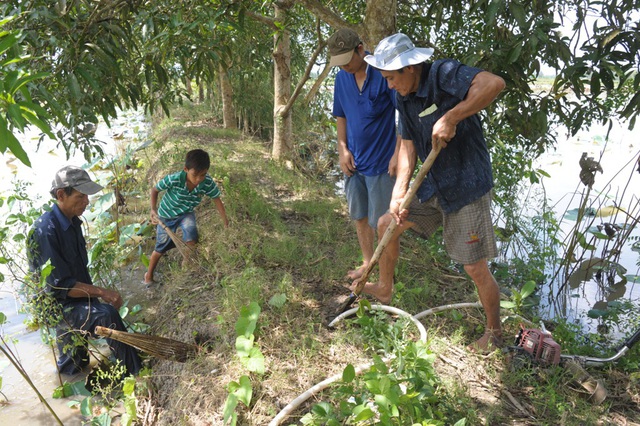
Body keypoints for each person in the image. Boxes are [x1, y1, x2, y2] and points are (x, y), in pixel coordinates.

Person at [361, 33, 506, 352]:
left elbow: (494, 84)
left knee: (474, 267)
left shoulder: (444, 75)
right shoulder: (402, 97)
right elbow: (408, 149)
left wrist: (452, 116)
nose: (388, 85)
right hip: (433, 186)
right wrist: (398, 195)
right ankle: (385, 289)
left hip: (466, 186)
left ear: (410, 68)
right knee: (387, 223)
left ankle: (494, 333)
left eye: (390, 78)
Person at [28, 165, 142, 376]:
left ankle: (85, 377)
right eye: (80, 197)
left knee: (76, 363)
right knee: (107, 314)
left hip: (76, 299)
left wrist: (94, 297)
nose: (87, 202)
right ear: (61, 195)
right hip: (59, 305)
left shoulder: (72, 223)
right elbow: (59, 286)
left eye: (86, 197)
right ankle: (136, 373)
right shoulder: (46, 231)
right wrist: (102, 292)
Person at [328, 28, 400, 280]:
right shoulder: (341, 79)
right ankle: (368, 262)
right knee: (359, 217)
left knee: (382, 224)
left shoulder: (383, 74)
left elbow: (404, 117)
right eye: (339, 63)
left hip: (382, 163)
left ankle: (385, 276)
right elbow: (341, 115)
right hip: (353, 163)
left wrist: (398, 154)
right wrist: (342, 149)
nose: (345, 67)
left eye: (348, 60)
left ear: (361, 49)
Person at [143, 148, 229, 285]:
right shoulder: (175, 179)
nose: (199, 179)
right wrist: (153, 210)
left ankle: (186, 266)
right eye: (195, 175)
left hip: (186, 213)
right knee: (160, 248)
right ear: (185, 169)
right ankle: (148, 276)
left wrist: (226, 223)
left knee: (191, 239)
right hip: (167, 215)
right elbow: (155, 190)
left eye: (203, 175)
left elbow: (217, 199)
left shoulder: (206, 183)